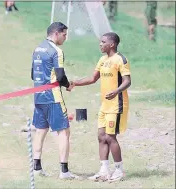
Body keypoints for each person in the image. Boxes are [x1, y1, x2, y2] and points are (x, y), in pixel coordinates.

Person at [69, 32, 131, 182]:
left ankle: (119, 170)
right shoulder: (102, 60)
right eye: (100, 41)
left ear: (112, 44)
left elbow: (127, 81)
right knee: (101, 137)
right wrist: (75, 83)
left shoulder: (120, 59)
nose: (100, 44)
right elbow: (92, 78)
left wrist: (116, 91)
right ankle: (104, 170)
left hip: (117, 104)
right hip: (105, 104)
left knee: (110, 137)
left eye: (103, 42)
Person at [31, 22, 78, 179]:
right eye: (64, 34)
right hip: (53, 97)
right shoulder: (57, 51)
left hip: (38, 96)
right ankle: (64, 172)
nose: (65, 38)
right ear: (56, 33)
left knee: (40, 130)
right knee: (64, 131)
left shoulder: (37, 49)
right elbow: (59, 76)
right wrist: (68, 85)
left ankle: (36, 168)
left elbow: (33, 74)